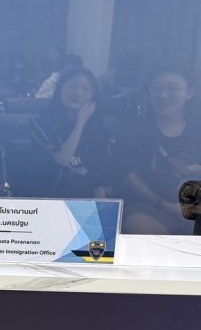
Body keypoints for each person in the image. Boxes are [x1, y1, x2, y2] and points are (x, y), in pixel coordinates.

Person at [121, 69, 201, 235]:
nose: (163, 95)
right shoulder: (134, 129)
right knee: (140, 225)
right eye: (157, 88)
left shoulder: (197, 127)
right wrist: (163, 204)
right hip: (149, 206)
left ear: (190, 92)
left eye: (173, 88)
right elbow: (130, 175)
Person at [28, 67, 113, 197]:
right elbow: (62, 159)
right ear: (60, 89)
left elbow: (103, 164)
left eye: (85, 89)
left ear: (93, 94)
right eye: (73, 87)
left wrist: (101, 187)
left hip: (89, 194)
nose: (78, 93)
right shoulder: (40, 123)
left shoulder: (100, 125)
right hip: (52, 193)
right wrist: (80, 122)